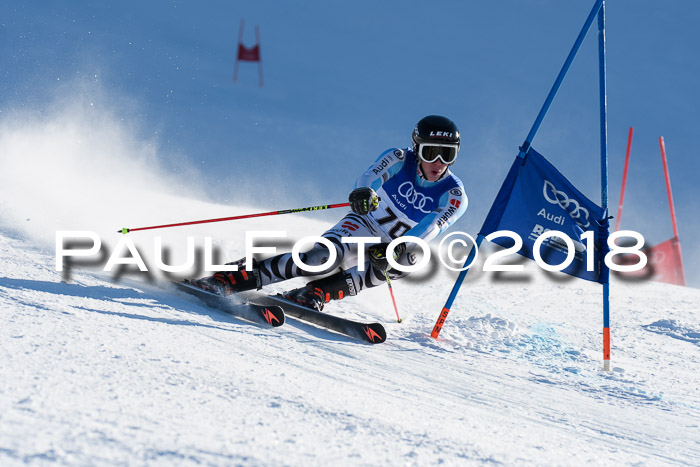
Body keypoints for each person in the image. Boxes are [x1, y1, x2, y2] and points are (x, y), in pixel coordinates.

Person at [189, 115, 468, 311]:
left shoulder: (454, 194)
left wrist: (399, 246)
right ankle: (232, 278)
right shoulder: (399, 158)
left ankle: (316, 292)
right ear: (417, 148)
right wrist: (365, 192)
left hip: (393, 246)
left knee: (407, 261)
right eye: (431, 152)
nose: (438, 162)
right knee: (322, 257)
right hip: (365, 224)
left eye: (448, 155)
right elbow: (371, 176)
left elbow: (434, 225)